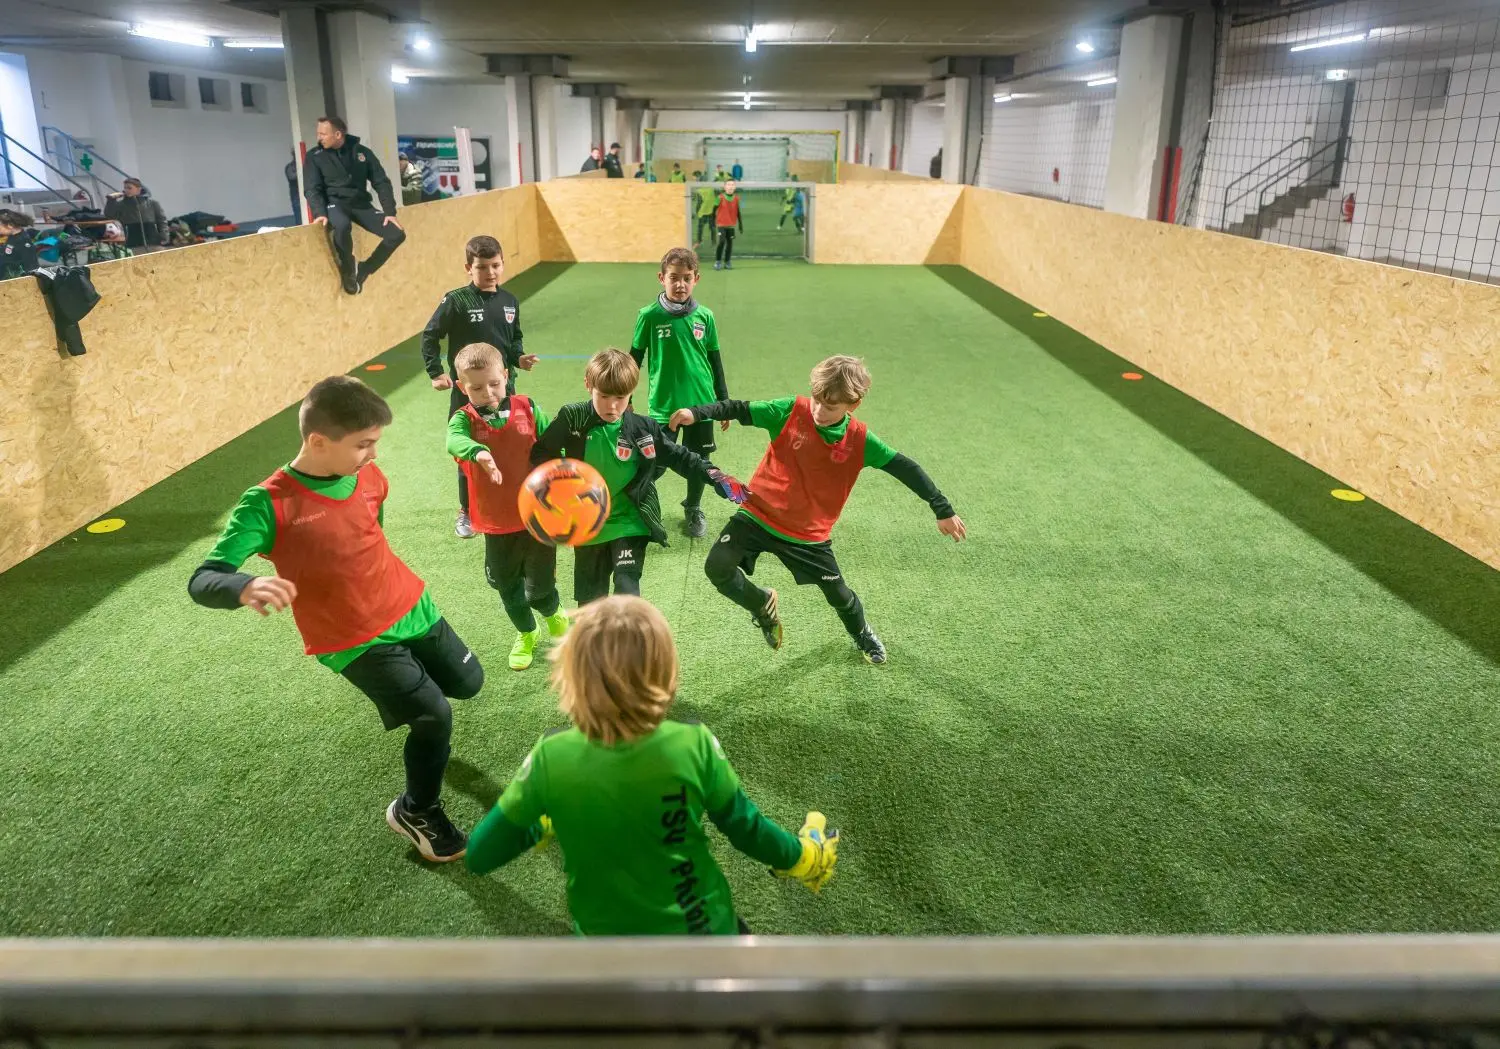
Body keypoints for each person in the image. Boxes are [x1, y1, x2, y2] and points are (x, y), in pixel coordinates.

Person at [188, 376, 481, 862]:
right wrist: (243, 586)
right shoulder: (268, 503)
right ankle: (416, 809)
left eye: (375, 443)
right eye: (363, 444)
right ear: (318, 442)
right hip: (351, 638)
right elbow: (203, 579)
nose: (373, 454)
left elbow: (370, 531)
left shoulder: (369, 477)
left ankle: (424, 727)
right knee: (435, 716)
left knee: (468, 684)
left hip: (411, 605)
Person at [465, 594, 839, 935]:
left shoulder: (550, 757)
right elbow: (748, 830)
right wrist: (802, 856)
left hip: (608, 960)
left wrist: (543, 820)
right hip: (704, 937)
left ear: (570, 677)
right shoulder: (695, 745)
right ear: (666, 674)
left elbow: (480, 855)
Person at [670, 356, 967, 665]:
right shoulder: (789, 411)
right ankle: (762, 605)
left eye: (830, 407)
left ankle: (862, 633)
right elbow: (738, 408)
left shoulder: (861, 440)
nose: (818, 411)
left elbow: (906, 468)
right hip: (756, 515)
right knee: (716, 567)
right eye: (816, 400)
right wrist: (697, 412)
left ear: (853, 405)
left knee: (839, 595)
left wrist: (942, 509)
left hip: (808, 536)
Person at [529, 349, 749, 607]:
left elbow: (680, 456)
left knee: (627, 589)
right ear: (589, 386)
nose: (612, 406)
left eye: (620, 397)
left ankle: (629, 644)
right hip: (589, 524)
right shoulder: (572, 417)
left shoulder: (643, 428)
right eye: (604, 396)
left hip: (630, 519)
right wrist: (561, 488)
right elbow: (542, 454)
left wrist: (715, 476)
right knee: (590, 605)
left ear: (632, 391)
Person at [447, 342, 570, 670]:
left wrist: (564, 469)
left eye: (494, 383)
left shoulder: (527, 408)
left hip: (537, 518)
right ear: (462, 387)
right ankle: (527, 633)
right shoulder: (463, 421)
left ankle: (553, 612)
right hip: (495, 524)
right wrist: (479, 453)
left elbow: (551, 444)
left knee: (541, 588)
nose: (487, 392)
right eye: (475, 387)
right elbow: (454, 442)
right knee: (507, 586)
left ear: (506, 374)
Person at [421, 235, 539, 540]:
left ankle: (514, 501)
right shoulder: (457, 300)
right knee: (470, 452)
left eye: (496, 265)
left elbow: (513, 339)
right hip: (468, 394)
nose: (491, 272)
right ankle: (467, 511)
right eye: (483, 267)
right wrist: (436, 373)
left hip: (504, 391)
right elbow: (430, 335)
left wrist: (519, 358)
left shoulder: (509, 301)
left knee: (512, 447)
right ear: (468, 268)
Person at [630, 247, 729, 539]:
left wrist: (724, 405)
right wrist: (627, 397)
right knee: (655, 463)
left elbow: (715, 362)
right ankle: (643, 508)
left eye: (686, 278)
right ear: (662, 278)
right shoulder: (648, 316)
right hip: (664, 405)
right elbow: (633, 359)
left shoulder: (706, 317)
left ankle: (693, 508)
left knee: (699, 460)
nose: (680, 284)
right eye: (674, 278)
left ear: (696, 279)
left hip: (702, 406)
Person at [304, 115, 405, 295]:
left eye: (323, 134)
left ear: (337, 134)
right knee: (342, 226)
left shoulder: (362, 153)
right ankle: (349, 270)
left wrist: (390, 212)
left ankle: (365, 268)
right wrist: (319, 212)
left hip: (360, 204)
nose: (319, 137)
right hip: (334, 204)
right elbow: (312, 188)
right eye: (318, 133)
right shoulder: (314, 156)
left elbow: (381, 182)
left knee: (396, 234)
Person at [103, 178, 168, 251]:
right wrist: (111, 201)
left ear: (138, 189)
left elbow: (162, 221)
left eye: (129, 188)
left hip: (153, 242)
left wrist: (164, 235)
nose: (126, 190)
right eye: (125, 188)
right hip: (132, 244)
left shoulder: (152, 203)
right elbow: (109, 216)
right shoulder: (121, 205)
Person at [0, 210, 41, 280]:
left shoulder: (24, 242)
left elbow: (32, 268)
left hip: (12, 281)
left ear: (10, 225)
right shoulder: (12, 237)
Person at [712, 179, 744, 271]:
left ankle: (727, 262)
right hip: (721, 225)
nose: (730, 186)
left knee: (730, 244)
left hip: (731, 225)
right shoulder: (720, 197)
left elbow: (738, 212)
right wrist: (712, 223)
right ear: (725, 187)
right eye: (728, 185)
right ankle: (718, 262)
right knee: (722, 242)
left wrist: (740, 225)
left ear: (735, 187)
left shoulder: (736, 198)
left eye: (732, 185)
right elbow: (713, 211)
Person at [693, 176, 716, 247]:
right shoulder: (712, 189)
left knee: (700, 228)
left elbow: (699, 203)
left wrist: (696, 212)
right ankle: (713, 241)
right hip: (711, 211)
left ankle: (699, 241)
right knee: (712, 227)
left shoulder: (699, 191)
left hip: (703, 212)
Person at [284, 153, 302, 224]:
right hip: (296, 197)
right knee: (299, 219)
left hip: (306, 194)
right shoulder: (290, 167)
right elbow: (292, 177)